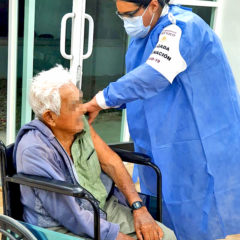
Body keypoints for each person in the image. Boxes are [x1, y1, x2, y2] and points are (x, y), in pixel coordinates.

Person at [84, 0, 240, 239]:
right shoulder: (142, 37)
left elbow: (152, 76)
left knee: (195, 209)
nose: (126, 21)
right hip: (161, 137)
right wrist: (110, 102)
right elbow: (138, 85)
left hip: (196, 139)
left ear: (153, 5)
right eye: (120, 15)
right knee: (161, 201)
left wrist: (99, 101)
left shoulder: (182, 28)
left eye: (130, 14)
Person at [14, 65, 176, 240]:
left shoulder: (80, 124)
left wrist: (139, 208)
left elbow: (111, 162)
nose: (82, 109)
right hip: (61, 227)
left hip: (103, 209)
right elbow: (70, 215)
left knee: (166, 236)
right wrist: (118, 237)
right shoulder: (35, 151)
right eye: (73, 106)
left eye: (80, 101)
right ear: (50, 117)